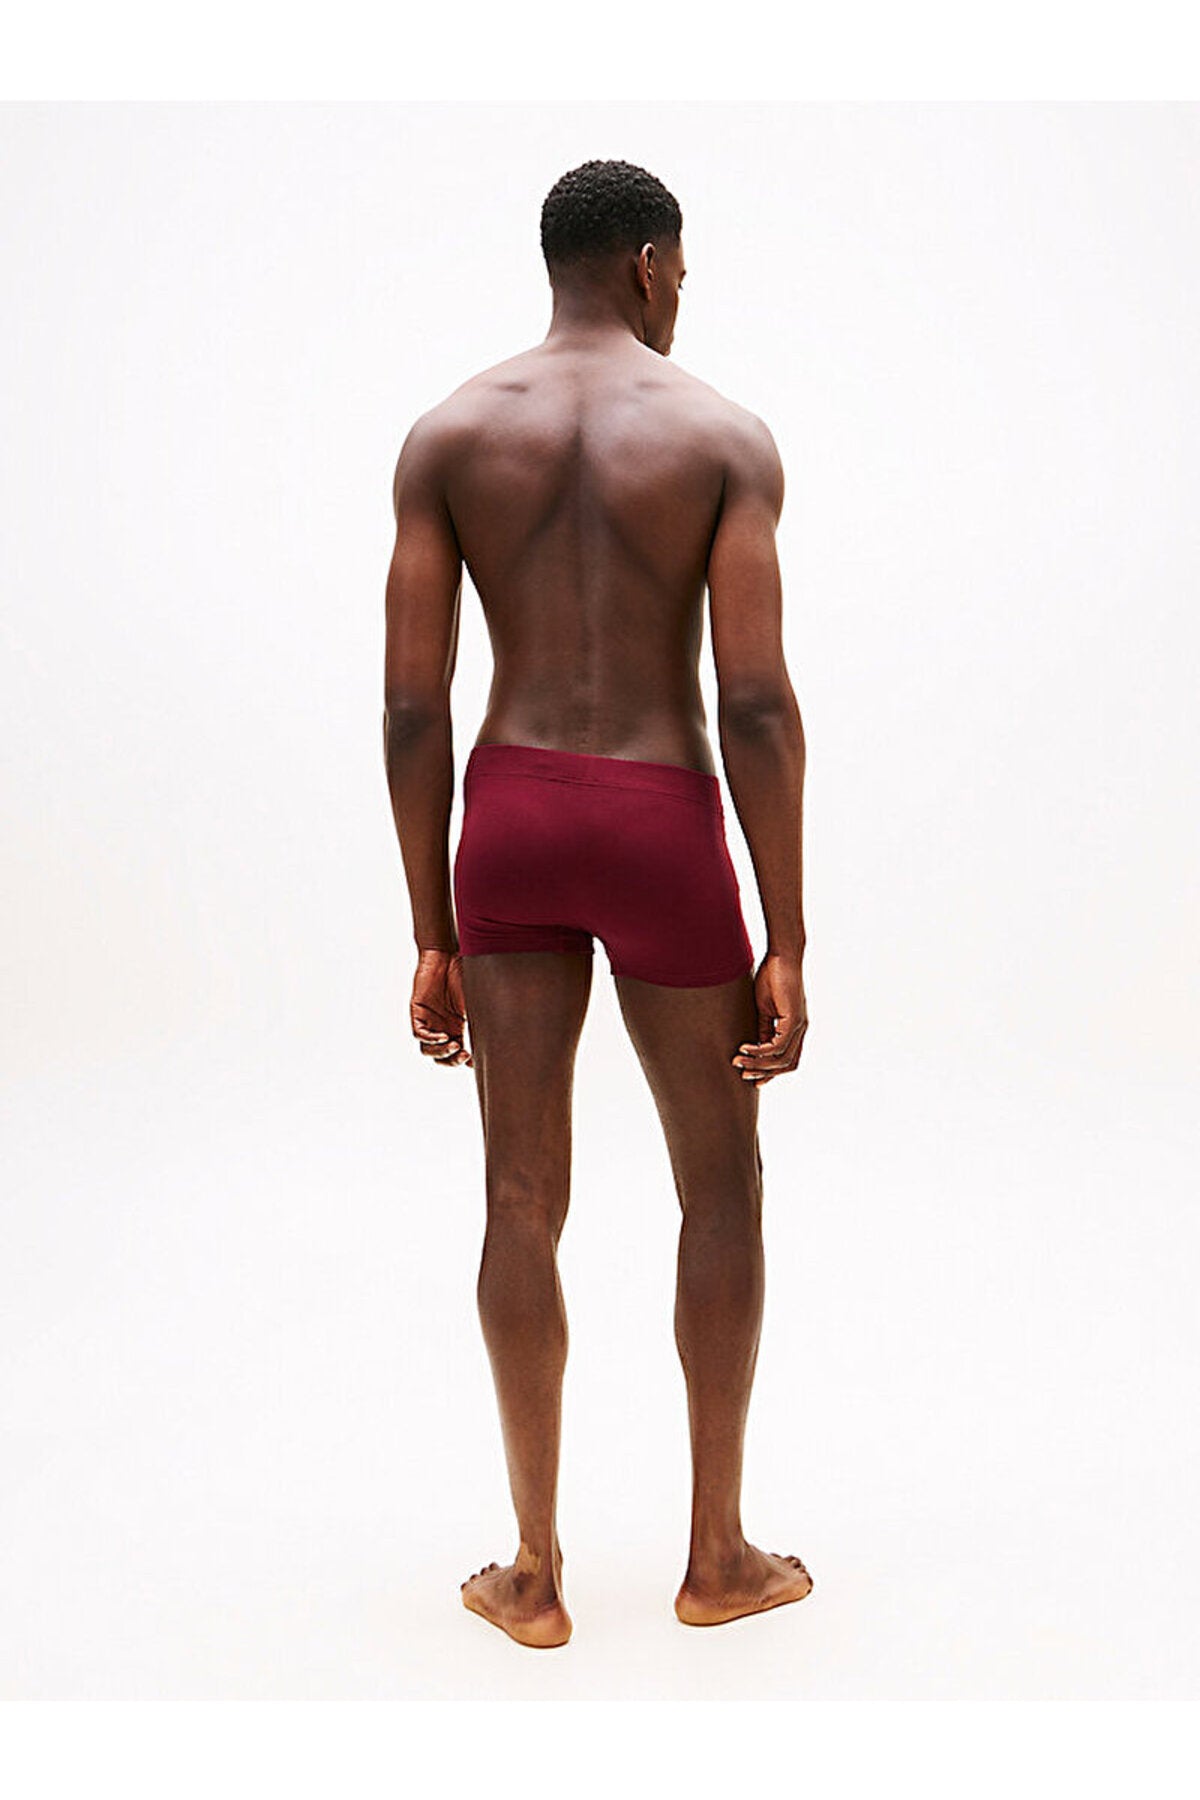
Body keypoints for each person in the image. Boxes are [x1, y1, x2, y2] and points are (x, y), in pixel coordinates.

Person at [383, 159, 809, 1649]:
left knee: (518, 1196)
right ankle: (717, 1560)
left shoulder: (450, 434)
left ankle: (534, 1572)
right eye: (680, 273)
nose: (682, 297)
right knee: (722, 1186)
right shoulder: (720, 438)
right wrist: (788, 934)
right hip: (657, 817)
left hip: (510, 817)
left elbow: (412, 710)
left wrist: (431, 925)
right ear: (645, 265)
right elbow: (755, 704)